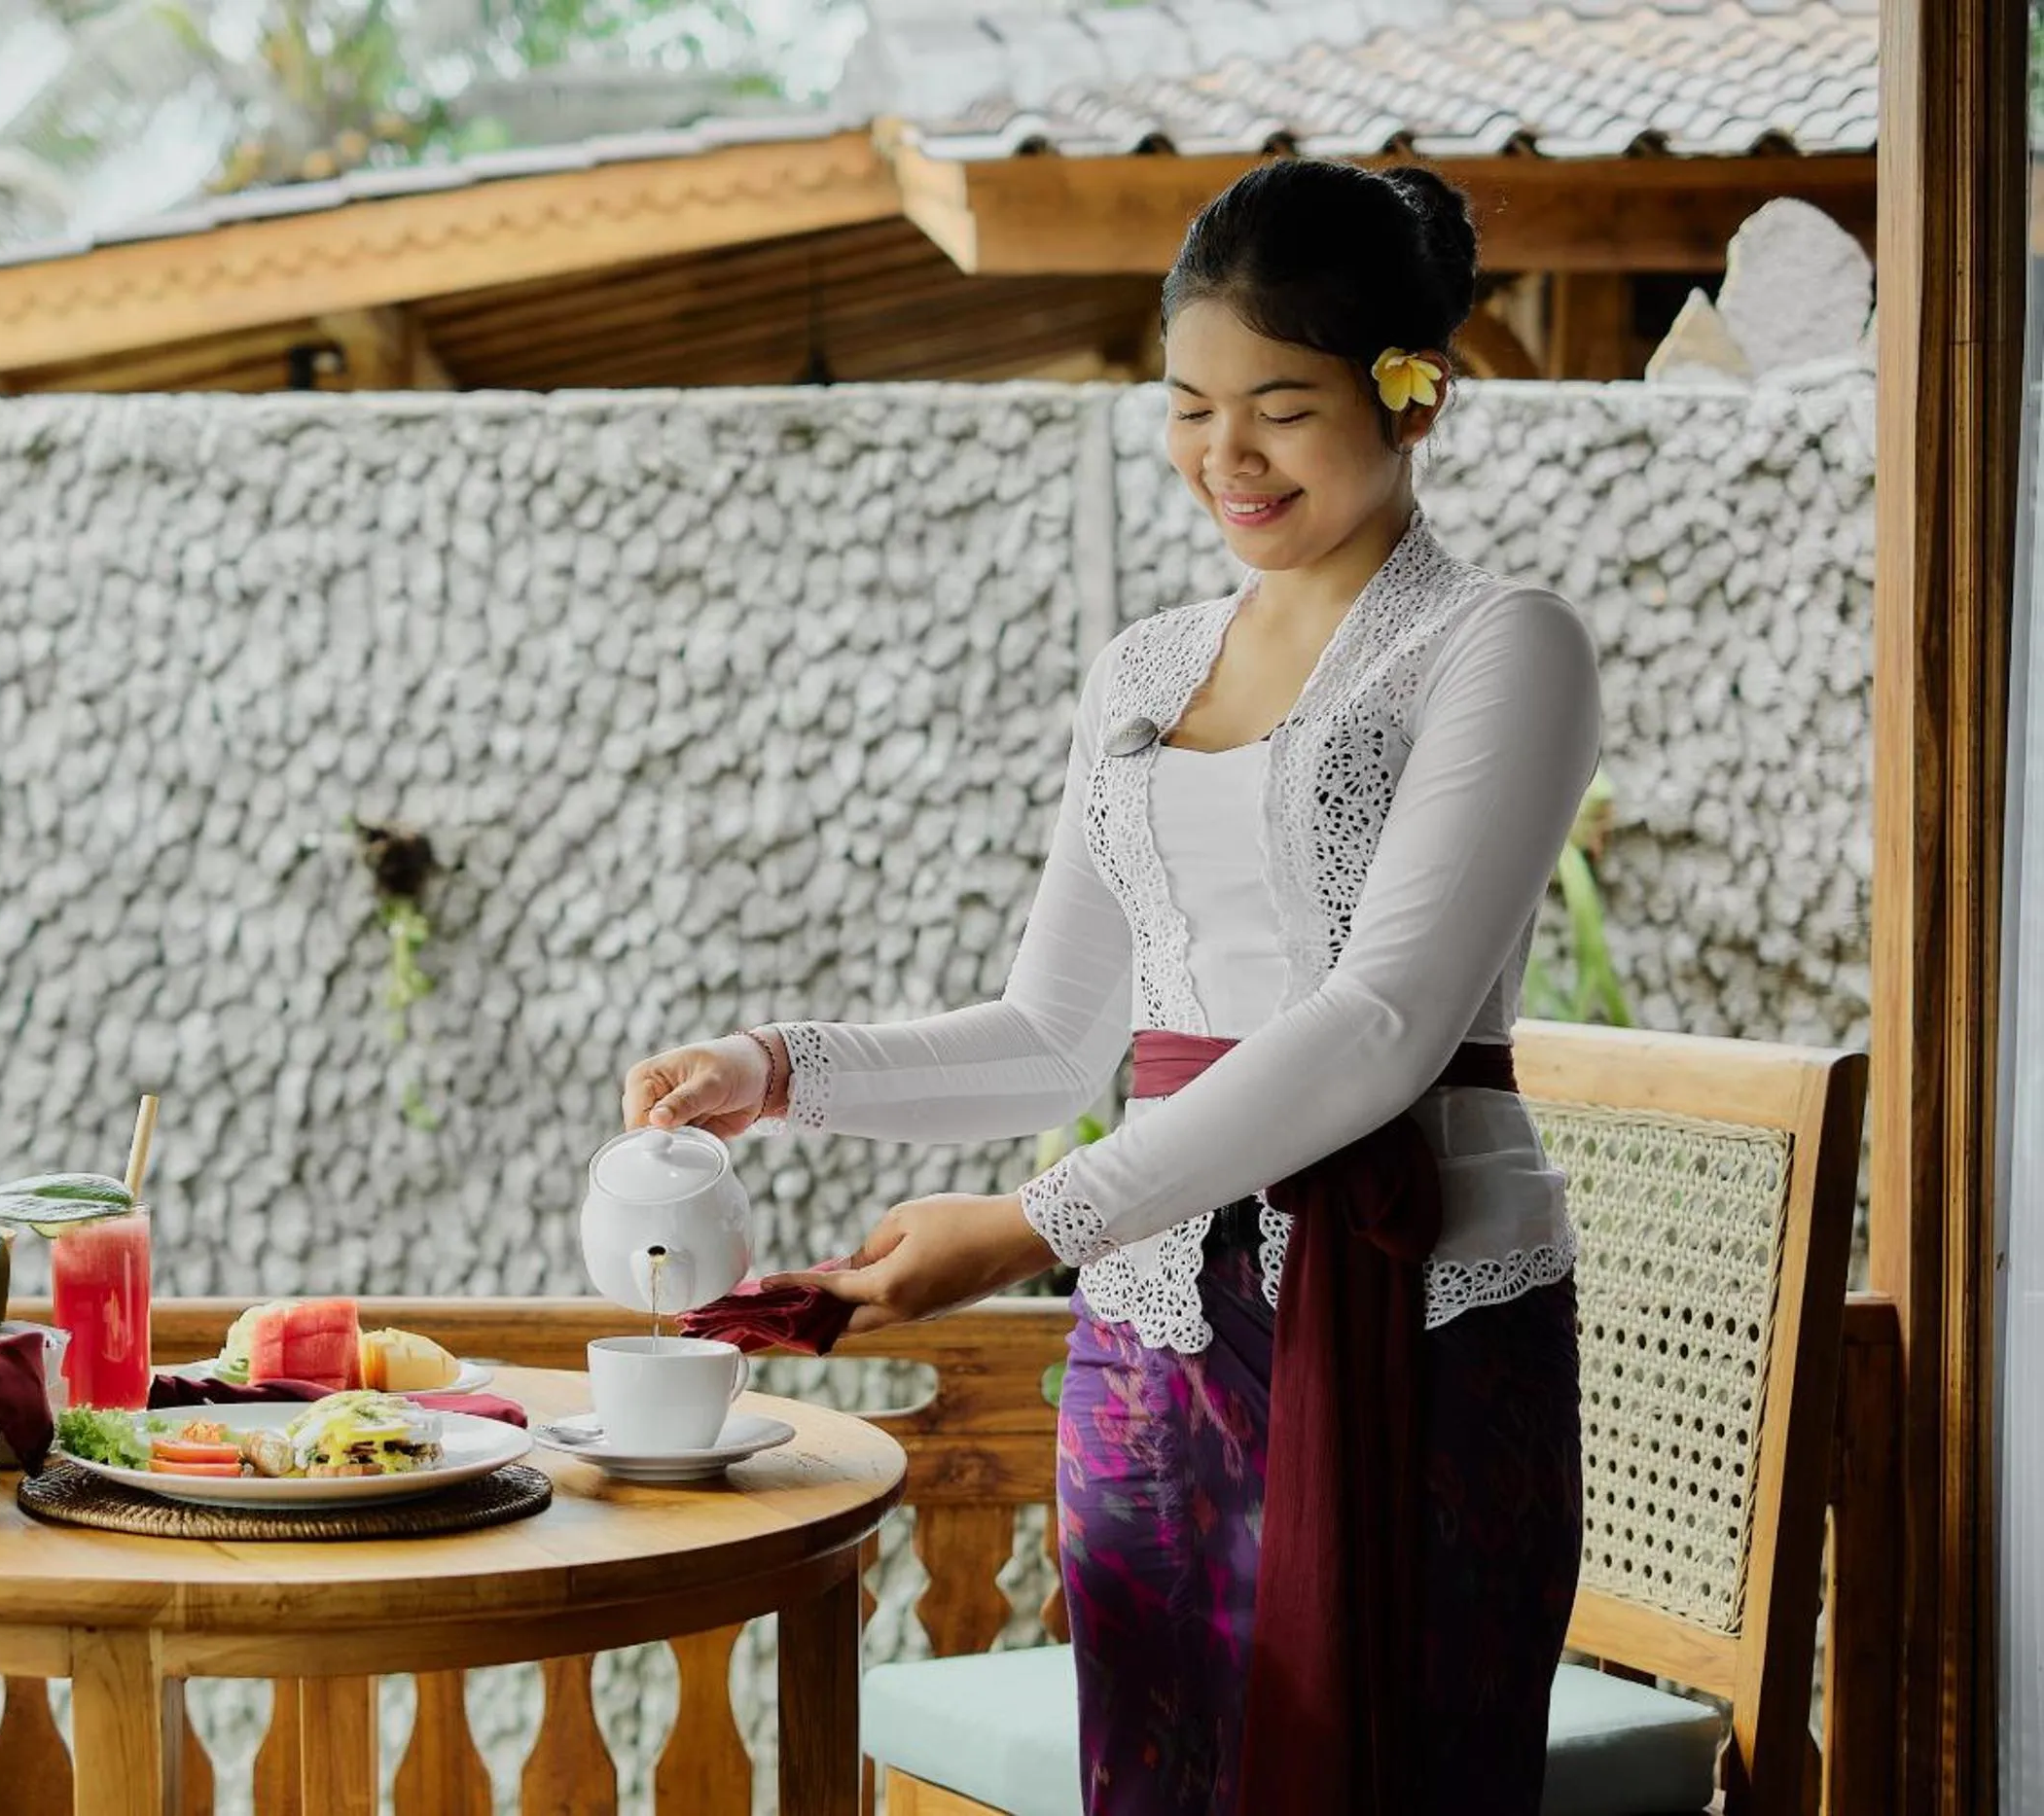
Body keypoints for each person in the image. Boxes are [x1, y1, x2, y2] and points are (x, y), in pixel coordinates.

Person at [620, 158, 1600, 1816]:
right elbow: (1059, 1035)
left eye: (1281, 406)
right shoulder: (1143, 671)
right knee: (1154, 1779)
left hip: (1416, 1318)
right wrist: (772, 1068)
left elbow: (1378, 1025)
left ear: (1411, 395)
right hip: (1152, 1343)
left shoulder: (1501, 643)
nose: (1226, 456)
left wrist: (1030, 1224)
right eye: (1189, 406)